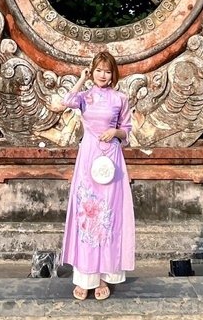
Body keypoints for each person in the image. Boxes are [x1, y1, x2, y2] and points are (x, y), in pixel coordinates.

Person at [53, 51, 135, 301]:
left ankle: (101, 278)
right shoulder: (85, 97)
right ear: (93, 71)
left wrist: (115, 132)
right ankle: (83, 278)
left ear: (113, 74)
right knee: (86, 215)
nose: (103, 75)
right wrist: (81, 78)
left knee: (107, 217)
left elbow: (128, 133)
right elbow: (66, 101)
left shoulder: (120, 98)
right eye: (98, 70)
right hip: (88, 157)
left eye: (107, 71)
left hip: (111, 159)